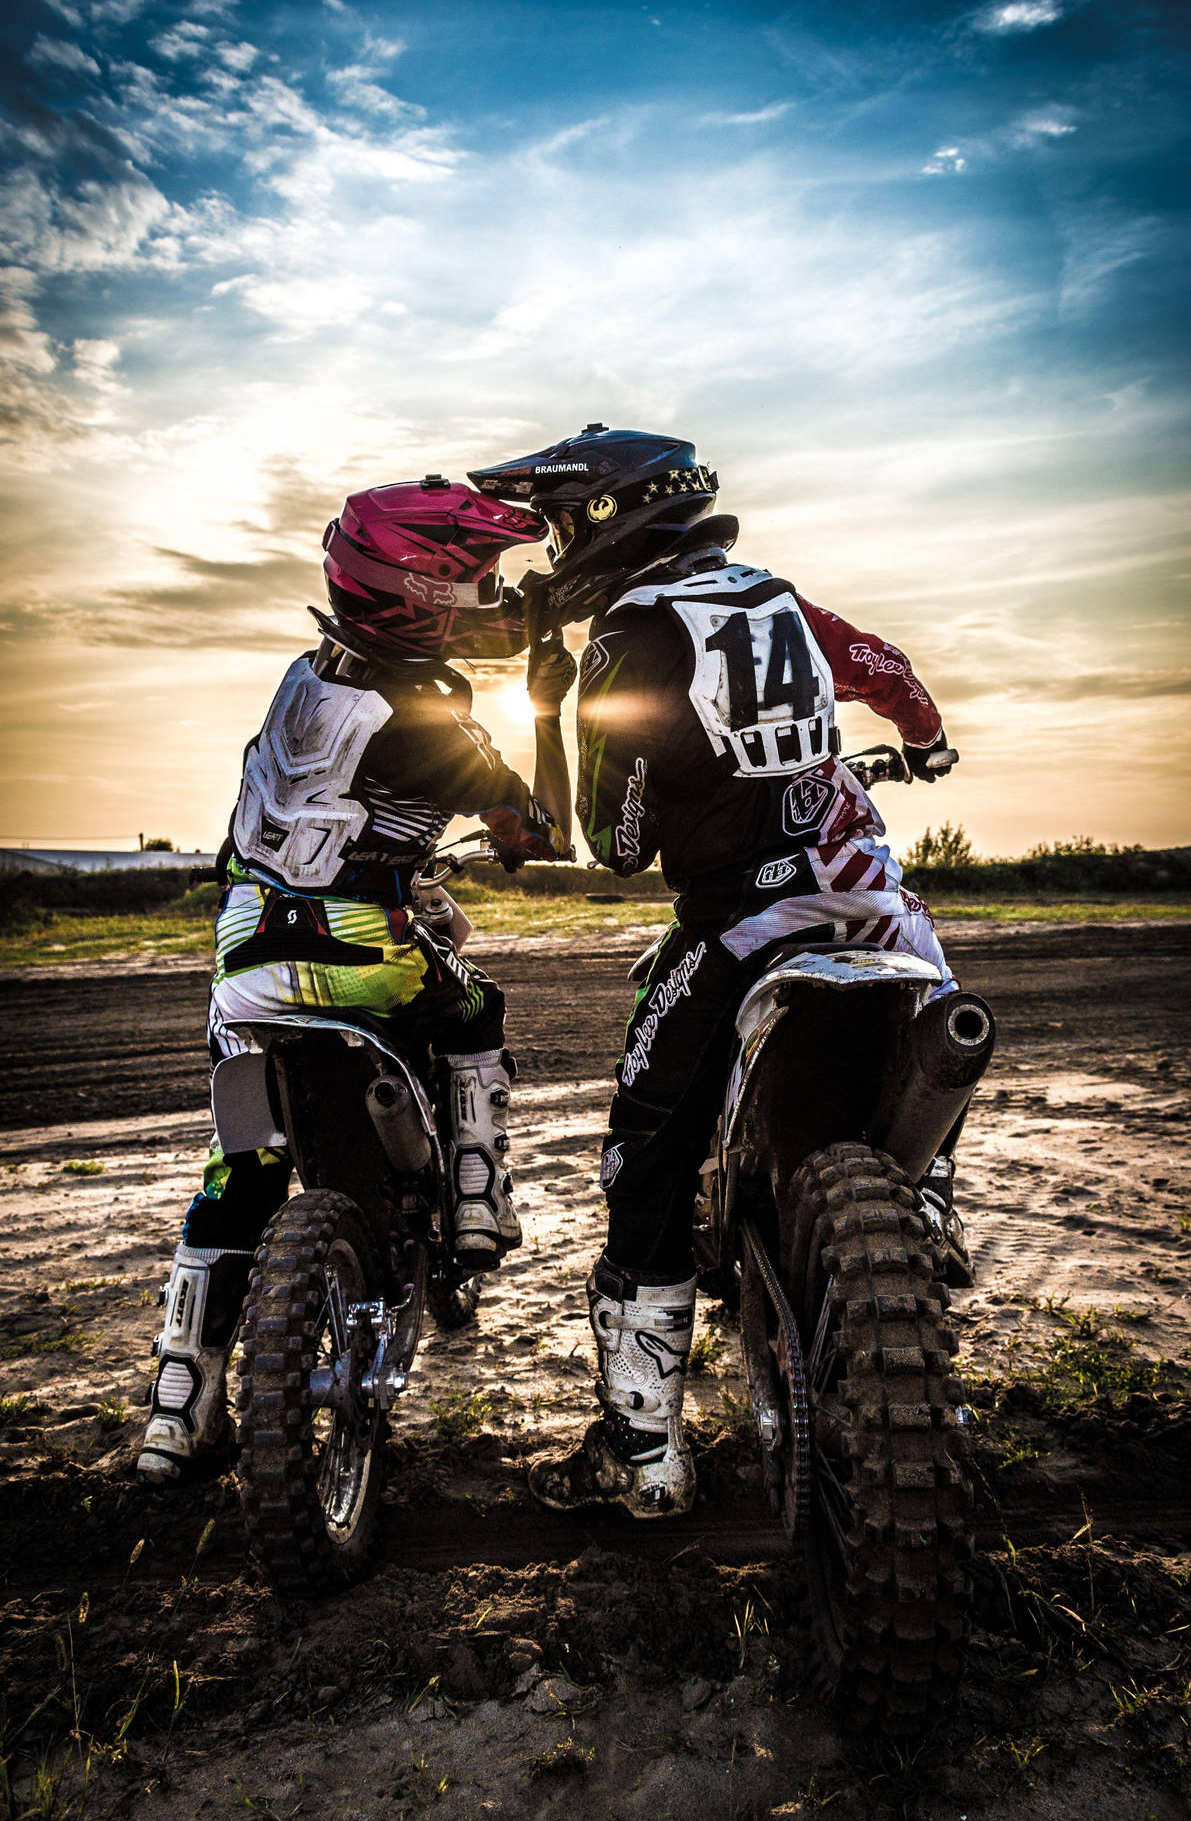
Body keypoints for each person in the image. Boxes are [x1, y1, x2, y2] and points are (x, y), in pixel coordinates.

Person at [469, 426, 966, 1520]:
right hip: (880, 912)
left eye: (558, 524)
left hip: (743, 926)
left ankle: (644, 1454)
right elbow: (882, 669)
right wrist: (923, 743)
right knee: (932, 1059)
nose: (552, 551)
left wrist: (554, 710)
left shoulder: (631, 639)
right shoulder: (777, 598)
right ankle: (928, 1218)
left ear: (608, 518)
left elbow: (616, 840)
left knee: (644, 1158)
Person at [138, 475, 571, 1484]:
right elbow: (533, 835)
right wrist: (546, 711)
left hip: (246, 962)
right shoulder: (430, 725)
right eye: (474, 582)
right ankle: (474, 1198)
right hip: (357, 958)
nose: (488, 598)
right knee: (476, 1007)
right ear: (421, 594)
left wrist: (523, 625)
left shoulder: (305, 678)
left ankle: (178, 1404)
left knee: (238, 1172)